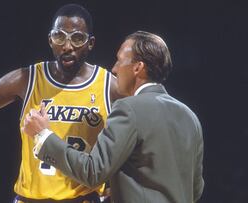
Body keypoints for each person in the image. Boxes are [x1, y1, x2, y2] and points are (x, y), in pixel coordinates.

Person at [0, 4, 120, 202]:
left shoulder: (108, 86)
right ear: (50, 40)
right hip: (29, 198)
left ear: (90, 43)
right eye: (60, 37)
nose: (67, 46)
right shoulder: (28, 78)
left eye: (77, 38)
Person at [23, 31, 205, 203]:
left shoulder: (128, 108)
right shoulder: (190, 117)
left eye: (119, 61)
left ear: (138, 67)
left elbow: (93, 172)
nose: (115, 69)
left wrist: (43, 135)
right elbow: (196, 188)